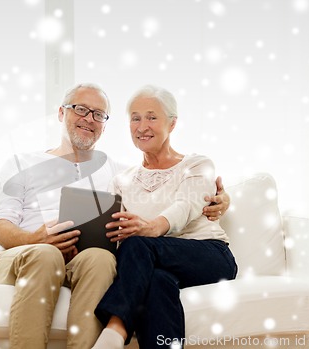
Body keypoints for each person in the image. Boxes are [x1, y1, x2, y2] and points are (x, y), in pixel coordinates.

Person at [0, 83, 230, 349]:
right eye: (80, 109)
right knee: (46, 253)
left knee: (101, 258)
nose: (89, 119)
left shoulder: (115, 172)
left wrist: (222, 199)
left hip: (78, 260)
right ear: (60, 113)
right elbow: (1, 227)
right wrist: (36, 238)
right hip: (24, 255)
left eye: (98, 114)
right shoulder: (21, 163)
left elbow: (168, 182)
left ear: (104, 125)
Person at [92, 85, 238, 349]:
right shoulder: (121, 180)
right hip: (156, 265)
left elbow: (186, 206)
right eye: (135, 118)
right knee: (158, 282)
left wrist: (149, 228)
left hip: (208, 256)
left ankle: (115, 329)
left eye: (151, 117)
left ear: (172, 124)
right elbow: (115, 233)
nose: (142, 125)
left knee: (137, 243)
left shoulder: (196, 164)